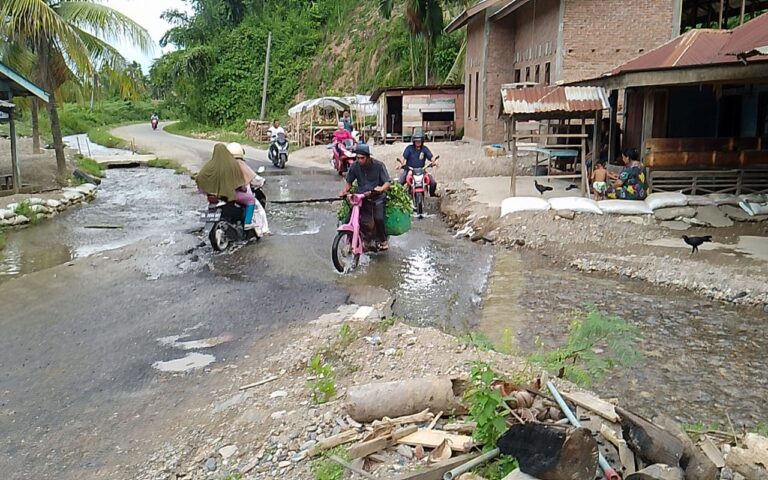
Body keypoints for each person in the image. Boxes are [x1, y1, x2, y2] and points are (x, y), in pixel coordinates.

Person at [339, 144, 391, 250]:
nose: (359, 160)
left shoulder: (379, 165)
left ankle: (383, 240)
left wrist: (381, 189)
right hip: (361, 198)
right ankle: (350, 240)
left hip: (377, 198)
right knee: (348, 218)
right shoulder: (354, 166)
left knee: (378, 218)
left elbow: (387, 182)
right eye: (357, 158)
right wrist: (344, 191)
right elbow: (349, 182)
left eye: (362, 158)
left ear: (368, 157)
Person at [196, 143, 257, 230]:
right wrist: (242, 188)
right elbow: (239, 182)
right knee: (251, 200)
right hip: (230, 195)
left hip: (214, 196)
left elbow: (200, 177)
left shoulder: (209, 165)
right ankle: (247, 223)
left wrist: (207, 190)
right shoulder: (232, 165)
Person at [227, 142, 270, 235]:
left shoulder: (222, 164)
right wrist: (262, 181)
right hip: (236, 194)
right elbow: (254, 179)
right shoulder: (240, 164)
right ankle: (261, 229)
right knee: (256, 206)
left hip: (221, 194)